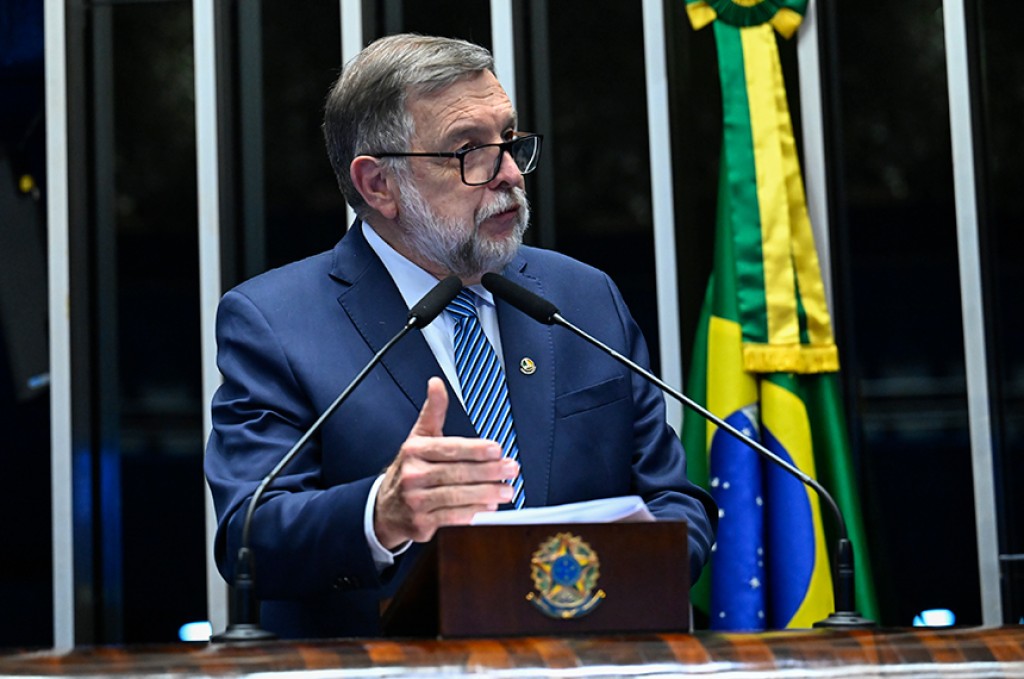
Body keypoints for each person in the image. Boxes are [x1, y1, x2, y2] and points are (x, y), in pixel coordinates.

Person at [205, 33, 717, 639]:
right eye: (469, 151)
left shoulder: (582, 297)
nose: (509, 174)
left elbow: (675, 503)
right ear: (378, 185)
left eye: (509, 139)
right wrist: (381, 513)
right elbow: (250, 537)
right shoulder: (275, 321)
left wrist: (605, 586)